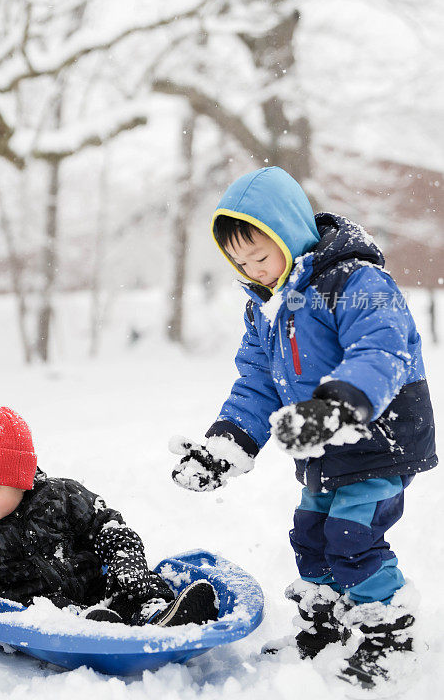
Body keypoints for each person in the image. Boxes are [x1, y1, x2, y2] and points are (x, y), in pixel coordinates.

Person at [171, 166, 437, 688]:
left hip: (378, 436)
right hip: (321, 447)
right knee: (312, 537)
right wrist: (226, 445)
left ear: (290, 232)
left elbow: (381, 349)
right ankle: (327, 628)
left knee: (352, 537)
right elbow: (257, 384)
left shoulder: (357, 280)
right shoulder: (266, 308)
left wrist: (335, 408)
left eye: (262, 256)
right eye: (240, 262)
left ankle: (390, 636)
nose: (254, 270)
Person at [0, 406, 218, 632]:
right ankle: (98, 628)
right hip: (39, 615)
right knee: (69, 620)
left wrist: (127, 562)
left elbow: (109, 526)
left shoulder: (61, 497)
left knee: (132, 584)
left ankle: (157, 611)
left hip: (97, 591)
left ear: (21, 480)